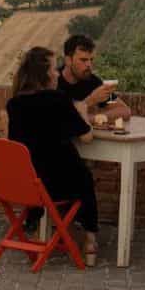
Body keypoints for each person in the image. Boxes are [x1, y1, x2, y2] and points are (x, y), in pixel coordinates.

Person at [6, 45, 100, 266]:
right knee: (85, 178)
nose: (58, 73)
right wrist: (83, 111)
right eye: (54, 69)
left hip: (28, 183)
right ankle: (90, 240)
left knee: (73, 172)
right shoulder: (57, 100)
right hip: (57, 183)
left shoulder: (14, 104)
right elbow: (86, 137)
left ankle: (40, 225)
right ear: (45, 74)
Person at [58, 34, 132, 122]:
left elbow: (124, 111)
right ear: (68, 60)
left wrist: (92, 118)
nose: (89, 65)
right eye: (83, 60)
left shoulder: (93, 81)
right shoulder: (52, 81)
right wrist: (90, 100)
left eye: (91, 60)